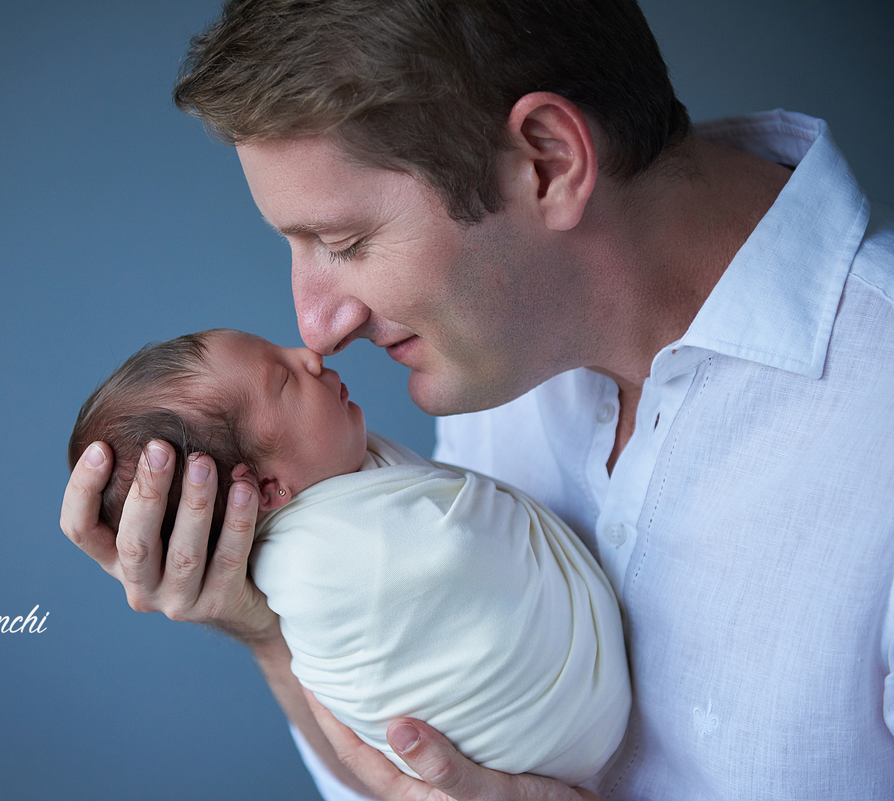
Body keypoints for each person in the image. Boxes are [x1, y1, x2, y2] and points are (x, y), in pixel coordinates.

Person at [59, 1, 894, 798]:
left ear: (548, 162)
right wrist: (267, 628)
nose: (314, 326)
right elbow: (418, 769)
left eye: (345, 242)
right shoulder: (496, 344)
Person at [67, 328, 631, 785]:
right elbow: (445, 556)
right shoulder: (323, 567)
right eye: (283, 381)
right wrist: (261, 627)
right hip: (544, 726)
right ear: (263, 491)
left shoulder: (348, 481)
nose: (309, 353)